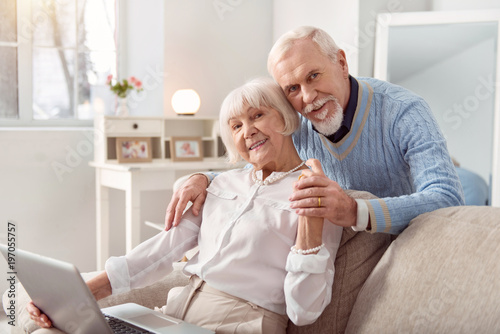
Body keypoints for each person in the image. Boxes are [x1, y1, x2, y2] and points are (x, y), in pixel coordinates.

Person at [27, 77, 343, 334]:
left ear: (285, 118)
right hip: (174, 318)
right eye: (235, 126)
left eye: (257, 115)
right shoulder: (221, 183)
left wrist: (309, 227)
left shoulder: (315, 192)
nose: (248, 131)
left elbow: (304, 312)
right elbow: (162, 250)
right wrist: (78, 294)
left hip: (241, 324)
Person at [166, 26, 464, 235]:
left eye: (314, 76)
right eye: (293, 88)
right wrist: (204, 178)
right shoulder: (296, 123)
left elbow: (447, 198)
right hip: (338, 250)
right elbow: (261, 171)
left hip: (405, 244)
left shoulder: (404, 111)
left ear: (342, 63)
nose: (307, 97)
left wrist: (354, 211)